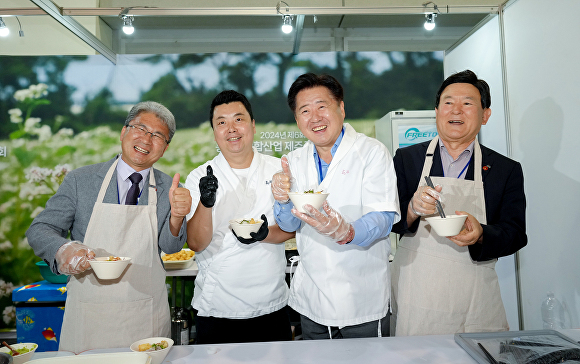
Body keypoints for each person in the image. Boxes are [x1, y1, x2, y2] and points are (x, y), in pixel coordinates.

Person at [26, 101, 192, 353]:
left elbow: (169, 248)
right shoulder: (80, 181)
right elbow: (40, 228)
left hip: (145, 315)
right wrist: (63, 249)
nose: (147, 140)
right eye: (140, 128)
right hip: (89, 313)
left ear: (166, 147)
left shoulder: (169, 186)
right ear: (124, 131)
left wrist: (178, 218)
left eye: (158, 135)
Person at [390, 70, 527, 336]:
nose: (456, 110)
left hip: (474, 297)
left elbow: (516, 234)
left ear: (485, 115)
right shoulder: (407, 159)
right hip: (417, 294)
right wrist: (411, 210)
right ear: (437, 110)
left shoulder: (505, 169)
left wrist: (480, 235)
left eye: (467, 103)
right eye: (448, 102)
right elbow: (389, 221)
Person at [271, 73, 400, 340]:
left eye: (322, 106)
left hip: (362, 299)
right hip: (313, 298)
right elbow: (289, 225)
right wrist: (282, 199)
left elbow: (384, 216)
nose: (314, 117)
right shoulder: (293, 161)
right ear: (297, 120)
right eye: (305, 111)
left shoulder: (371, 152)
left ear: (341, 108)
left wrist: (347, 232)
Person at [184, 90, 294, 344]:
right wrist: (206, 201)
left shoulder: (279, 169)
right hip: (217, 306)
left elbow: (294, 227)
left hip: (271, 303)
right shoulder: (200, 176)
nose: (231, 129)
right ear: (214, 131)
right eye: (221, 122)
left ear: (253, 125)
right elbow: (196, 243)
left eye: (238, 119)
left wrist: (266, 234)